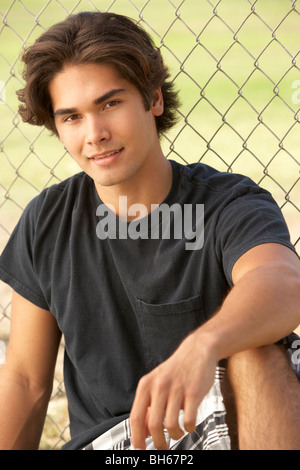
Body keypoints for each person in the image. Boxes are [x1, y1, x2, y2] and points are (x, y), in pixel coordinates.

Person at [0, 11, 299, 451]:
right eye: (72, 118)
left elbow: (283, 283)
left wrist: (203, 346)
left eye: (110, 104)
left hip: (224, 422)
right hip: (114, 447)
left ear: (154, 99)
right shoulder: (47, 221)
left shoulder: (227, 204)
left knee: (258, 353)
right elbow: (25, 380)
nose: (95, 134)